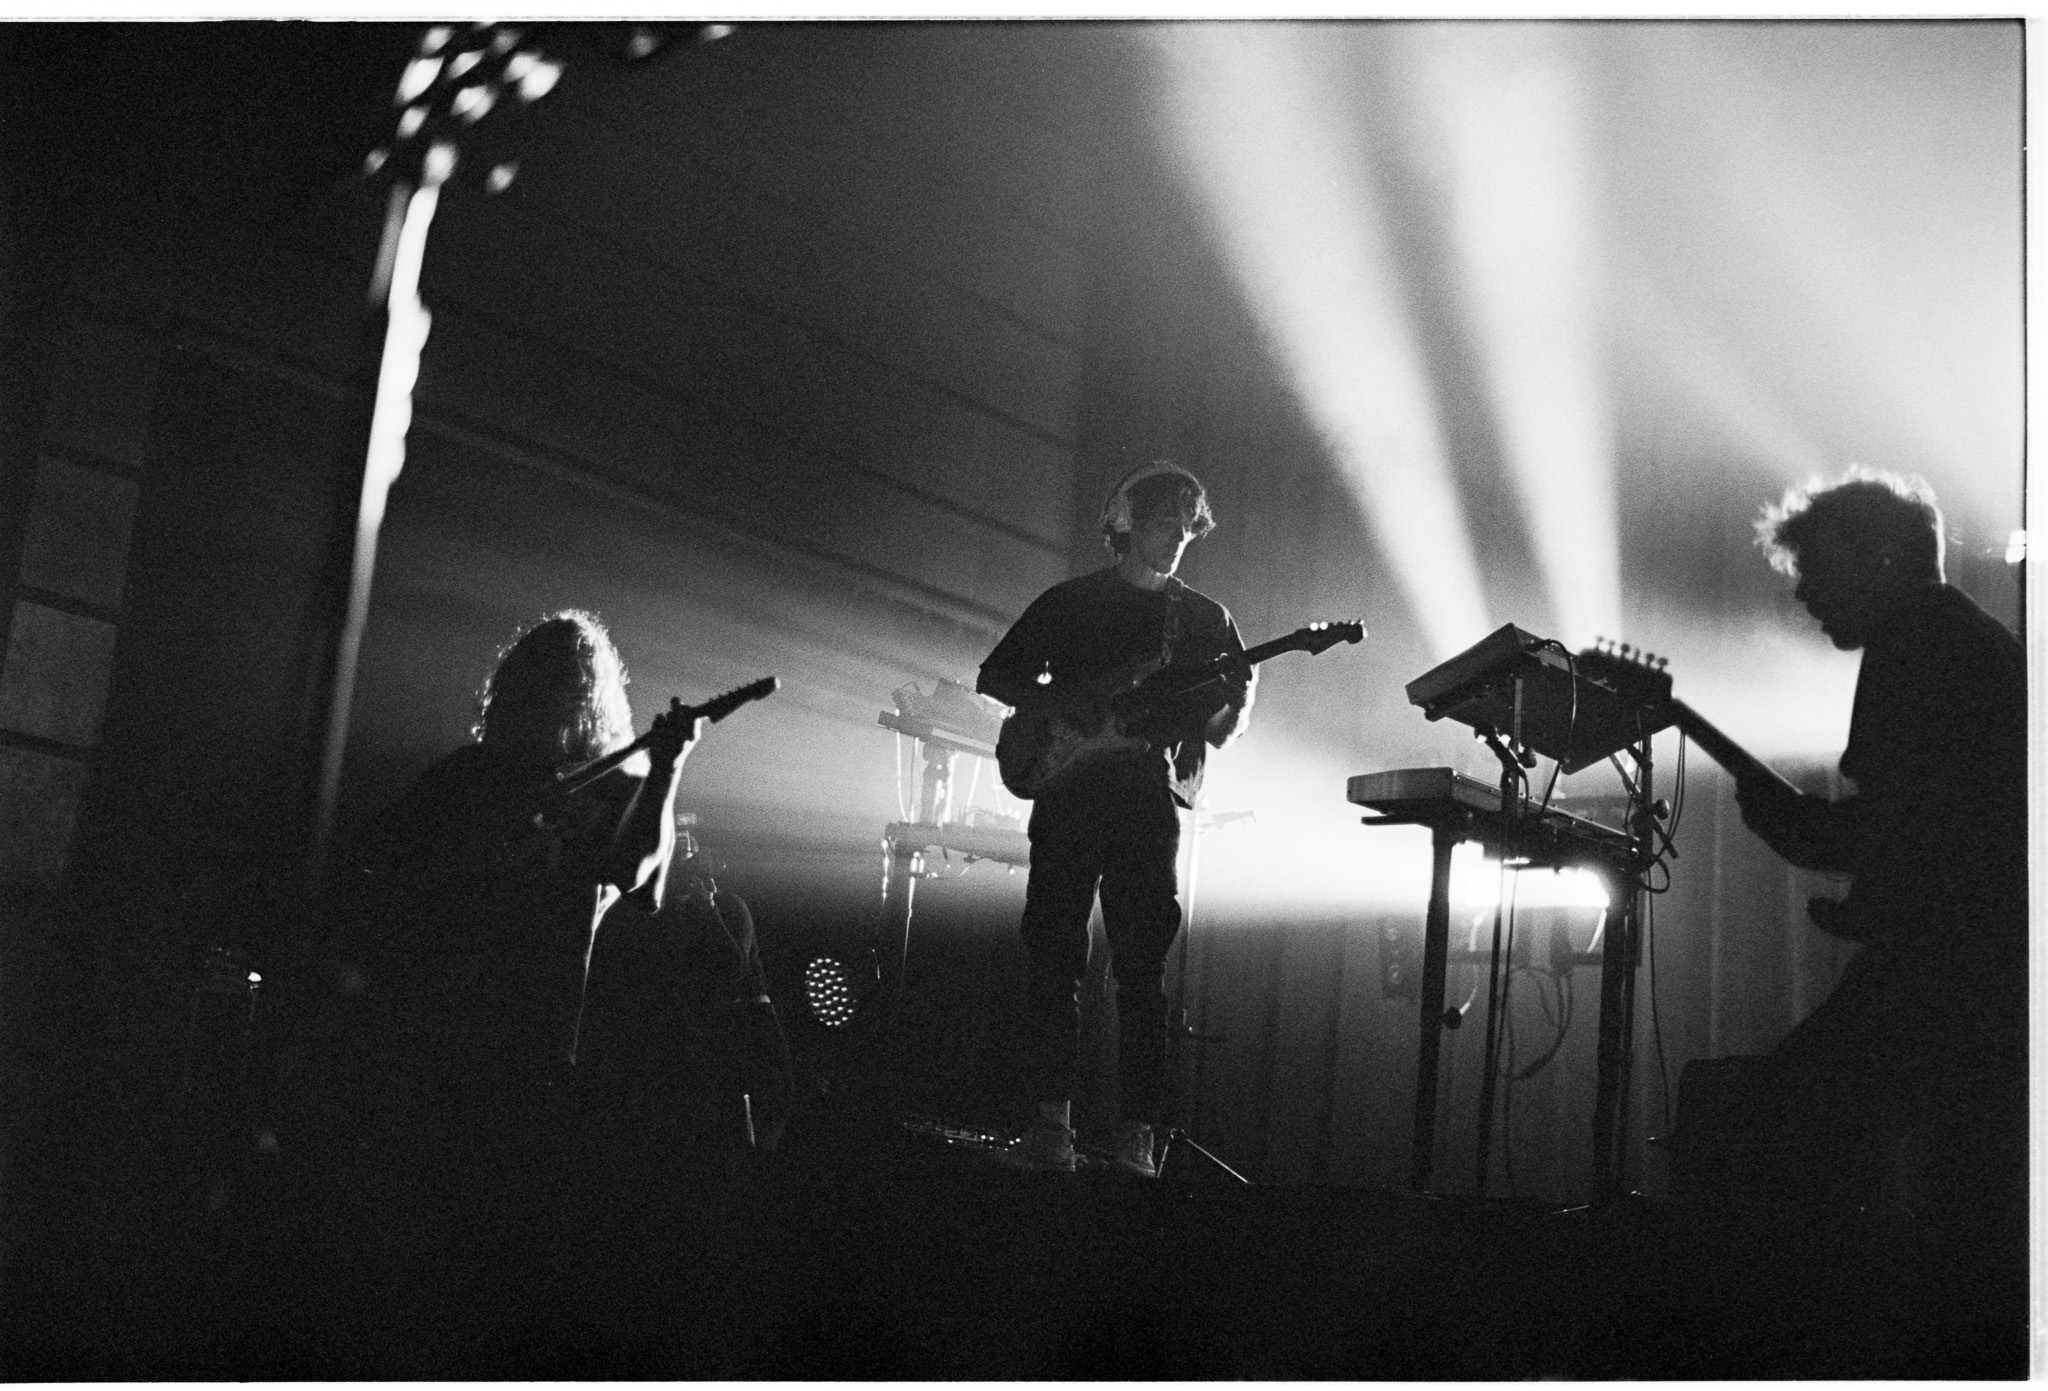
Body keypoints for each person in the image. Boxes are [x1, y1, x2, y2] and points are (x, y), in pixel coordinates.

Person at [1713, 470, 2025, 1220]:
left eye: (1818, 566)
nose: (1803, 591)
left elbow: (1892, 830)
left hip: (1954, 963)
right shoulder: (1966, 635)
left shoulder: (1914, 640)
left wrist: (1789, 822)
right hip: (1987, 960)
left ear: (1882, 558)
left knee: (1775, 1130)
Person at [338, 609, 700, 1211]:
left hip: (538, 1040)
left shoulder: (614, 787)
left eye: (560, 685)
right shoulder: (469, 775)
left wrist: (666, 767)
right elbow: (375, 862)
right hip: (434, 1031)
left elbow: (640, 882)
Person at [976, 463, 1255, 1178]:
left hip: (1144, 801)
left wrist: (1237, 700)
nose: (1175, 541)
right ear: (1128, 523)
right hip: (1069, 793)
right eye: (1164, 525)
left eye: (1186, 530)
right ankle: (1051, 1125)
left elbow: (1221, 730)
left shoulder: (1206, 621)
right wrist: (1063, 703)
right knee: (1054, 957)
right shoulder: (1072, 602)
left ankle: (1138, 1137)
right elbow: (995, 675)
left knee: (1141, 970)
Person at [576, 809, 798, 1187]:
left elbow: (732, 968)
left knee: (762, 1126)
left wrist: (707, 909)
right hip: (709, 1036)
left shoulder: (730, 905)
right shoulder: (667, 916)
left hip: (750, 1031)